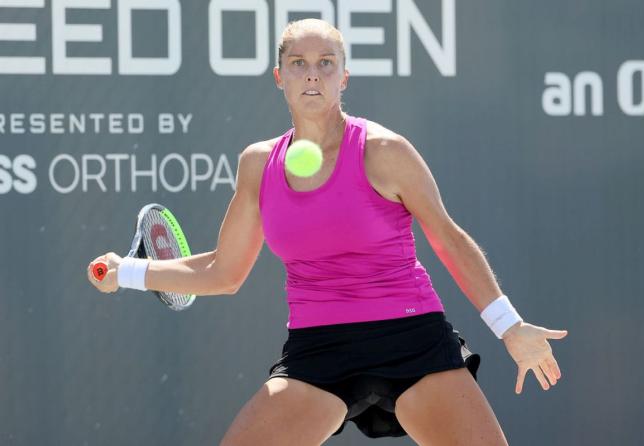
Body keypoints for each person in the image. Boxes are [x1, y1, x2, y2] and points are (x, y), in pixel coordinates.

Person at [88, 18, 568, 446]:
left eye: (325, 62)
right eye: (298, 63)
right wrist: (128, 271)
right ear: (280, 78)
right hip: (317, 350)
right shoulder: (258, 165)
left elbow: (448, 238)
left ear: (344, 76)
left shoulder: (384, 151)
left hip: (410, 338)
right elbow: (222, 270)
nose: (312, 73)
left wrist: (510, 326)